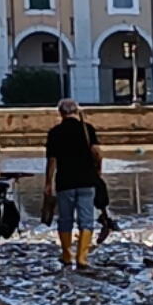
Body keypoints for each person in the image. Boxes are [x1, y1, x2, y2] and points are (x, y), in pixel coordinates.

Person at [45, 99, 102, 269]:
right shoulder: (87, 129)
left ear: (60, 113)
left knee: (65, 219)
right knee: (86, 220)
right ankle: (82, 257)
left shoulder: (55, 132)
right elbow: (97, 153)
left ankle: (66, 254)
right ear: (76, 111)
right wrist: (98, 173)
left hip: (65, 182)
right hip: (86, 180)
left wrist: (48, 182)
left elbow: (52, 160)